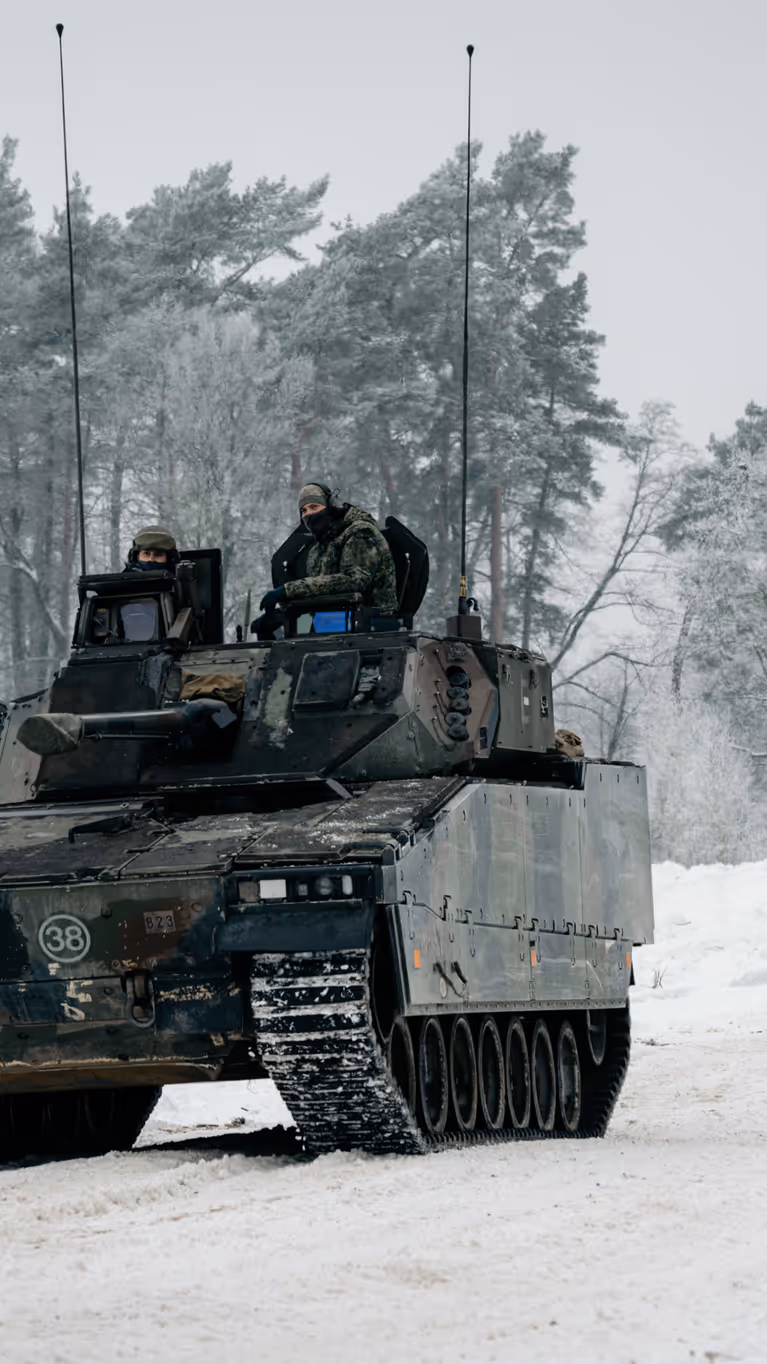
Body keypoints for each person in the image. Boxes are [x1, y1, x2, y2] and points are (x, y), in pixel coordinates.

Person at [258, 484, 397, 629]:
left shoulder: (360, 533)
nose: (309, 514)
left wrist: (288, 590)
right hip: (333, 622)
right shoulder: (317, 549)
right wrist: (283, 618)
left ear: (331, 506)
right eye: (303, 511)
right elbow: (318, 592)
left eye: (314, 507)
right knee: (284, 631)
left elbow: (355, 581)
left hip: (373, 623)